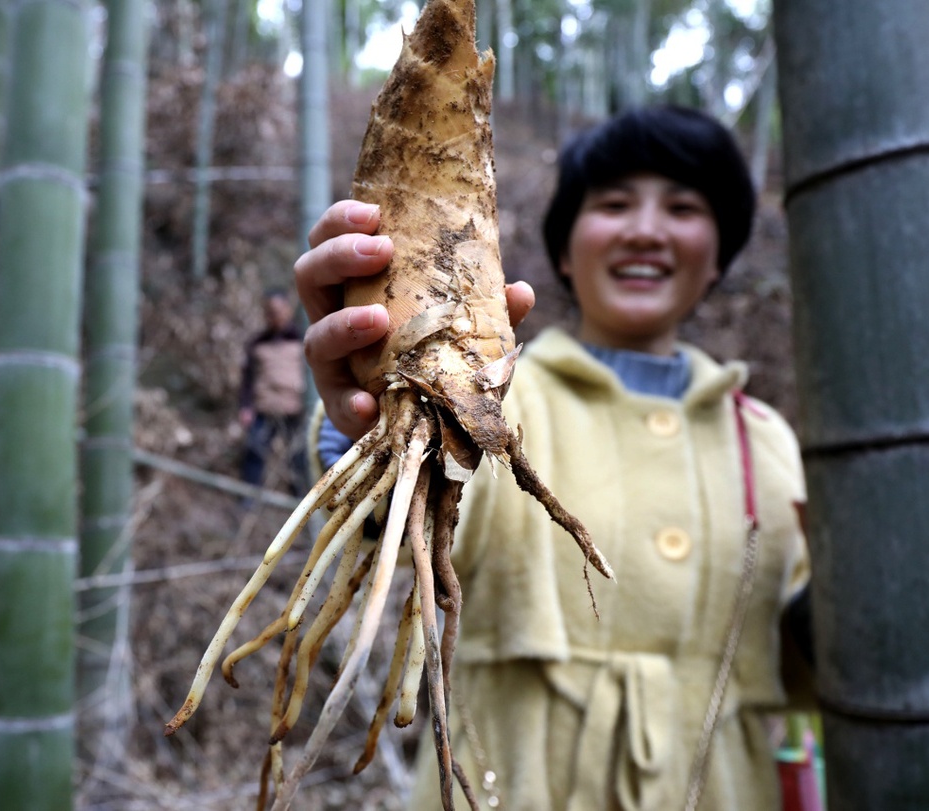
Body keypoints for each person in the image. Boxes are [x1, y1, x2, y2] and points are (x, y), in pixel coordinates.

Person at [297, 105, 811, 809]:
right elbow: (409, 510)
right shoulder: (495, 399)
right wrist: (369, 410)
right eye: (614, 203)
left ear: (719, 251)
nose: (645, 228)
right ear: (564, 249)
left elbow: (807, 662)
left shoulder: (769, 441)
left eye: (683, 206)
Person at [238, 289, 307, 495]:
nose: (273, 316)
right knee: (254, 452)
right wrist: (245, 407)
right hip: (264, 408)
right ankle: (248, 498)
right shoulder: (257, 342)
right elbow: (247, 379)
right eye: (268, 311)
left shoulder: (301, 339)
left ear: (287, 309)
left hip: (295, 409)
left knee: (298, 458)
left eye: (277, 311)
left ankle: (299, 500)